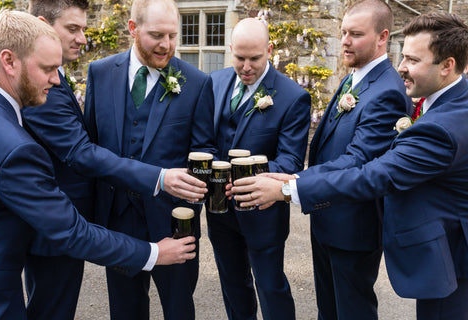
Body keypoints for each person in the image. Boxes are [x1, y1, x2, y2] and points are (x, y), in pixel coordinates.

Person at [234, 11, 468, 320]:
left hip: (449, 256)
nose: (401, 67)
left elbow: (376, 172)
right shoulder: (446, 102)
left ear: (447, 66)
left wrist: (288, 188)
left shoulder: (443, 125)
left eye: (412, 59)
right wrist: (297, 177)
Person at [0, 9, 196, 320]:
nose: (57, 80)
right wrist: (154, 252)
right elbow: (73, 224)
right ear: (9, 61)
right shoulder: (15, 149)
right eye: (47, 68)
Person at [83, 0, 217, 318]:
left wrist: (193, 190)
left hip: (174, 222)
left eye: (173, 35)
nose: (167, 45)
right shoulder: (100, 73)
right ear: (133, 28)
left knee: (179, 308)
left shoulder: (197, 83)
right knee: (125, 310)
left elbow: (206, 151)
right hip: (118, 220)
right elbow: (88, 144)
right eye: (157, 35)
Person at [208, 18, 311, 319]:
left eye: (255, 58)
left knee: (270, 286)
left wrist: (245, 179)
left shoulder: (293, 96)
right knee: (232, 285)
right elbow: (203, 138)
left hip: (263, 213)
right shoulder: (214, 82)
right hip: (219, 210)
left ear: (269, 50)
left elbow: (290, 160)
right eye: (240, 58)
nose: (247, 66)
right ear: (231, 51)